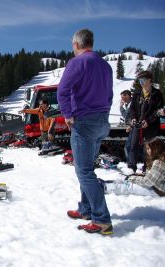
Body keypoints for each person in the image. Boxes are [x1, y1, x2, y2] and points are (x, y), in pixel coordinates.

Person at [57, 29, 114, 235]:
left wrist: (68, 114)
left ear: (77, 44)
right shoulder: (106, 66)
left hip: (84, 122)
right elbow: (109, 96)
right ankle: (86, 208)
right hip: (102, 122)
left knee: (84, 171)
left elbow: (62, 91)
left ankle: (102, 220)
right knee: (88, 168)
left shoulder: (77, 62)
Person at [128, 71, 164, 173]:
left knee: (150, 148)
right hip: (138, 124)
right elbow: (132, 109)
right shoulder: (137, 94)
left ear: (150, 80)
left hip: (151, 125)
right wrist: (134, 118)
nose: (141, 82)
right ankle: (131, 168)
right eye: (140, 80)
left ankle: (147, 168)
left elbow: (158, 111)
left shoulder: (157, 94)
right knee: (133, 146)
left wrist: (148, 121)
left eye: (143, 80)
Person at [120, 90, 133, 161]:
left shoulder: (132, 104)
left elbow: (126, 115)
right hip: (132, 127)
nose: (122, 99)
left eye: (122, 97)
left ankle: (130, 164)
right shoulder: (129, 104)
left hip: (133, 127)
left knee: (128, 147)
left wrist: (121, 107)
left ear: (127, 96)